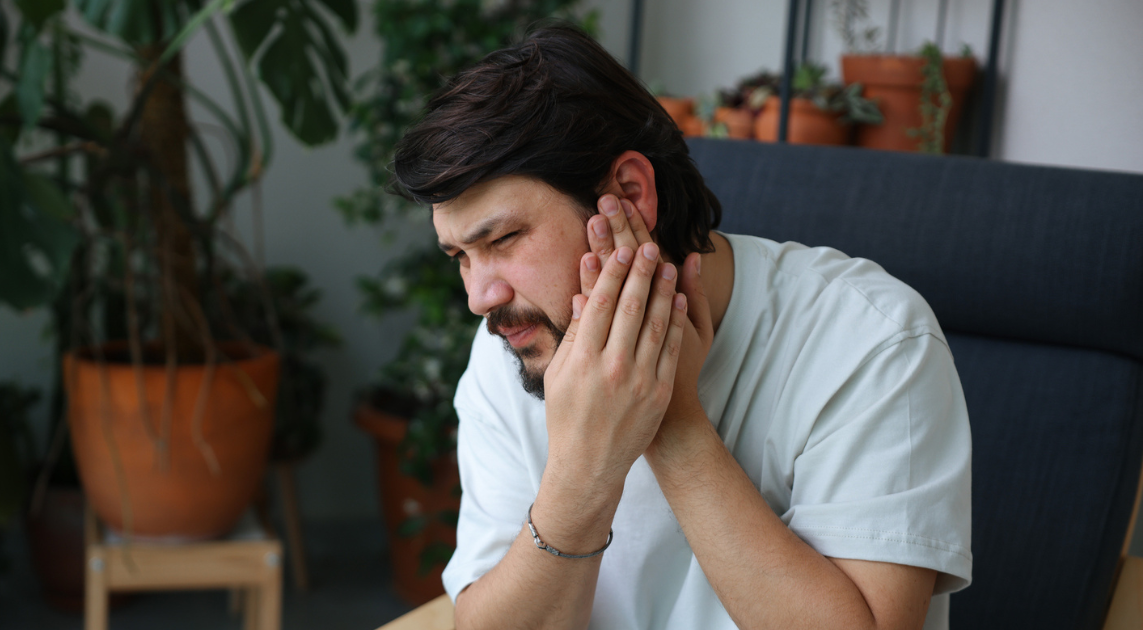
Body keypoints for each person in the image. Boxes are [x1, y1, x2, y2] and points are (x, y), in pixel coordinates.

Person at [391, 22, 972, 630]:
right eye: (460, 256)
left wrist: (670, 420)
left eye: (504, 238)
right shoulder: (519, 345)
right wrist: (580, 475)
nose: (480, 299)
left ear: (630, 194)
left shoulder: (872, 342)